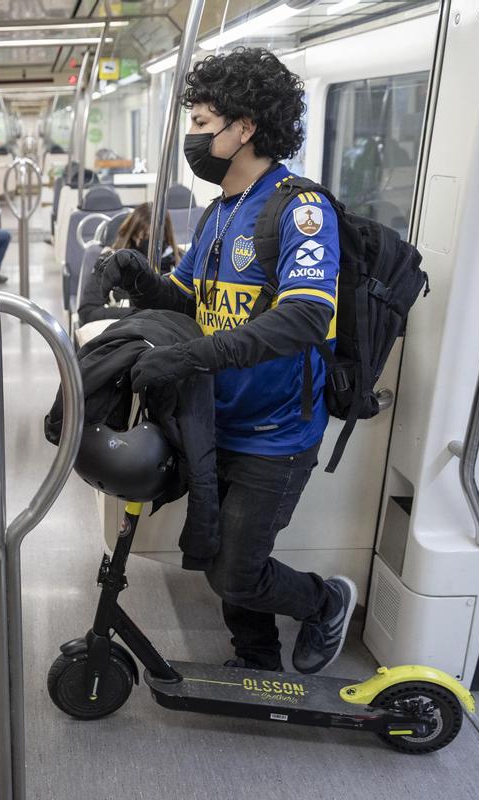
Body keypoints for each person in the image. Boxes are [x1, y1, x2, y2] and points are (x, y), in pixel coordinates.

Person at [100, 48, 357, 676]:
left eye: (201, 121)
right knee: (228, 554)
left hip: (277, 428)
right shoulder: (221, 213)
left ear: (244, 128)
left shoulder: (299, 209)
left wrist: (194, 356)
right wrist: (144, 279)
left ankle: (325, 602)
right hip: (219, 418)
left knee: (236, 569)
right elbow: (192, 297)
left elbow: (302, 316)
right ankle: (258, 657)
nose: (193, 136)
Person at [80, 202, 178, 327]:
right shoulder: (110, 262)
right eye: (144, 238)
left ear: (166, 236)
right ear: (132, 235)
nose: (150, 245)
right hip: (122, 332)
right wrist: (138, 314)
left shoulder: (178, 265)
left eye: (157, 239)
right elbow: (88, 312)